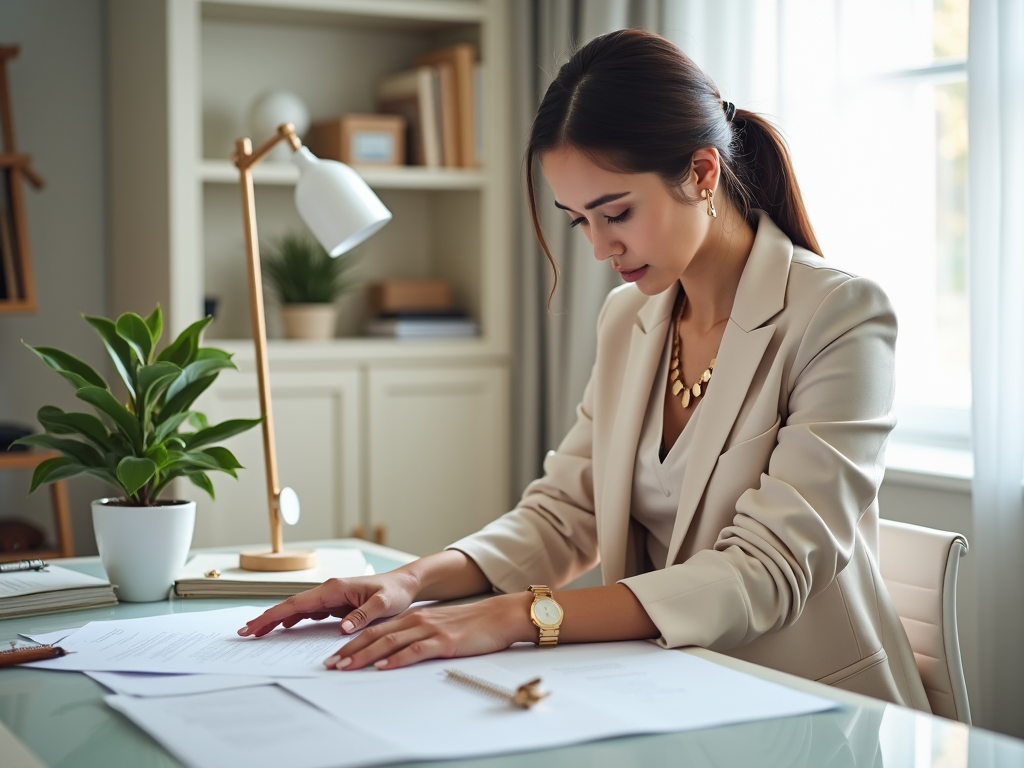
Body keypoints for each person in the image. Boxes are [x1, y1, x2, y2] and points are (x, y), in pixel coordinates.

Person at [239, 29, 929, 711]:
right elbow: (564, 515)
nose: (601, 248)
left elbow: (767, 570)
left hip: (813, 713)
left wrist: (517, 616)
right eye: (578, 222)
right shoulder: (629, 318)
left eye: (617, 213)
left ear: (702, 174)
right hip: (668, 693)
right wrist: (412, 581)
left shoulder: (839, 315)